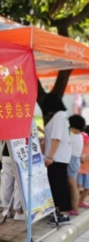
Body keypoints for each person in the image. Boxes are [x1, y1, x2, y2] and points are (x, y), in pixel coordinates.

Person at [42, 92, 71, 225]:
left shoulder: (59, 116)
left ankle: (64, 213)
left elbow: (56, 138)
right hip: (59, 157)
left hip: (56, 157)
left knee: (60, 185)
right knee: (57, 184)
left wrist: (50, 157)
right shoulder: (62, 115)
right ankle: (60, 211)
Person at [67, 114, 86, 215]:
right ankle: (74, 208)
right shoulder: (80, 136)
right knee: (73, 186)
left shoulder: (72, 137)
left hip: (72, 160)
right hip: (76, 160)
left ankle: (74, 209)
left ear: (72, 126)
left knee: (73, 186)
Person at [77, 125, 89, 208]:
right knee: (78, 187)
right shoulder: (81, 139)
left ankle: (80, 201)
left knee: (86, 187)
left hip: (87, 170)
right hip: (79, 169)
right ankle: (76, 202)